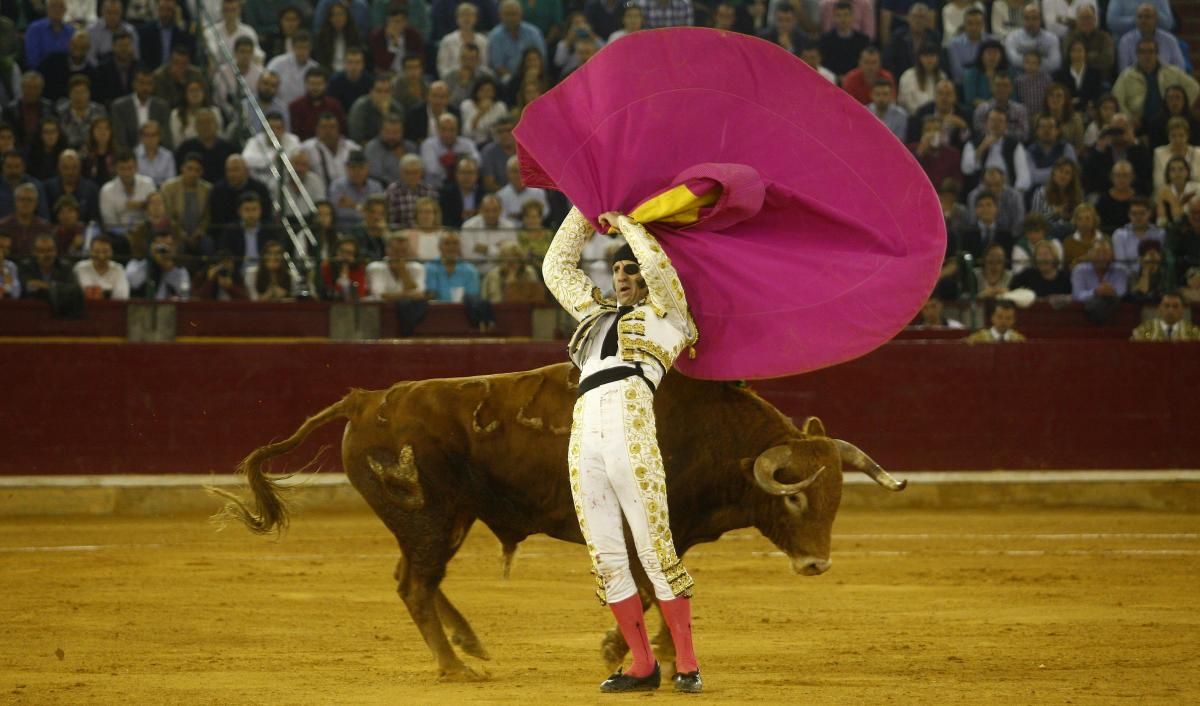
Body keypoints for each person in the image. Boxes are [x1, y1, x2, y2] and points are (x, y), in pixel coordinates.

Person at [543, 206, 702, 693]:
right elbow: (556, 268)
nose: (621, 277)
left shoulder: (671, 317)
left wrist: (629, 225)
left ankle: (688, 664)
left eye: (629, 268)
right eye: (615, 269)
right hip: (585, 427)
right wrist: (586, 206)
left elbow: (662, 272)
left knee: (655, 549)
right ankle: (641, 664)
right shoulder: (595, 315)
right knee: (607, 555)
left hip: (631, 423)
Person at [1111, 38, 1199, 132]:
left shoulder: (1172, 71)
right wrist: (1128, 117)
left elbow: (1194, 87)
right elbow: (1116, 98)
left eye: (1151, 51)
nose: (1147, 56)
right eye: (1142, 52)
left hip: (1167, 119)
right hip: (1139, 121)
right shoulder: (1126, 75)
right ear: (1137, 54)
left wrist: (1181, 107)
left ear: (1157, 54)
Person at [365, 232, 429, 335]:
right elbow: (379, 296)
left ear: (409, 252)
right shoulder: (375, 267)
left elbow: (420, 294)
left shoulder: (417, 268)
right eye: (396, 251)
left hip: (409, 315)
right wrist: (407, 295)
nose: (400, 255)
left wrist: (403, 271)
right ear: (387, 250)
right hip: (379, 316)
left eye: (403, 251)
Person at [1115, 3, 1185, 73]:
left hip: (1166, 80)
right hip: (1135, 81)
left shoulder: (1170, 40)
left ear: (1156, 19)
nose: (1143, 21)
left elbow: (1180, 69)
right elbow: (1123, 72)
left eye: (1147, 17)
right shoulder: (1125, 41)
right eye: (1139, 17)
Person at [99, 151, 156, 236]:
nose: (126, 173)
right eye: (122, 169)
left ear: (136, 167)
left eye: (130, 168)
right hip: (119, 236)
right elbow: (109, 223)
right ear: (116, 169)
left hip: (147, 232)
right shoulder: (107, 190)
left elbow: (156, 212)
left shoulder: (148, 184)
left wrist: (143, 205)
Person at [818, 1, 871, 78]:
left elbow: (862, 64)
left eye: (846, 15)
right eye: (839, 15)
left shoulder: (863, 41)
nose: (843, 19)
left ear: (852, 17)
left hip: (855, 79)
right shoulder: (825, 41)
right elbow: (824, 64)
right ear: (834, 18)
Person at [18, 233, 76, 301]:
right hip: (32, 306)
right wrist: (56, 288)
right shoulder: (26, 266)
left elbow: (72, 290)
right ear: (34, 252)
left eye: (50, 250)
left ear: (56, 251)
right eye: (42, 251)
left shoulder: (65, 267)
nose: (47, 255)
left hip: (60, 308)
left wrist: (43, 286)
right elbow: (26, 287)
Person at [1071, 237, 1128, 302]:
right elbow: (1077, 295)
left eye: (1105, 253)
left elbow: (1121, 293)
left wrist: (1108, 292)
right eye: (1097, 252)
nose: (1101, 257)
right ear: (1090, 254)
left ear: (1113, 254)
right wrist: (1095, 292)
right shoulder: (1079, 270)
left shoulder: (1121, 270)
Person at [73, 234, 129, 300]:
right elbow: (73, 297)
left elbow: (122, 297)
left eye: (105, 251)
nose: (101, 256)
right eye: (96, 251)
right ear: (90, 251)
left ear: (112, 252)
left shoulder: (118, 269)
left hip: (111, 309)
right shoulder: (79, 268)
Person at [1131, 292, 1200, 341]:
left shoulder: (1193, 333)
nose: (1170, 310)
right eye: (1166, 306)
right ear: (1159, 309)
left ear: (1182, 311)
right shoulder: (1144, 331)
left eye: (1175, 306)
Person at [496, 155, 547, 220]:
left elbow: (545, 213)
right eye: (514, 171)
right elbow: (501, 218)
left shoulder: (538, 192)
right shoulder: (500, 196)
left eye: (522, 171)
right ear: (507, 173)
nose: (518, 175)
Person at [1155, 155, 1200, 227]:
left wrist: (1174, 202)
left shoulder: (1197, 189)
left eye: (1181, 169)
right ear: (1168, 174)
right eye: (1173, 170)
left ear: (1187, 172)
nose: (1177, 173)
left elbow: (1180, 219)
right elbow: (1161, 222)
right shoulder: (1163, 191)